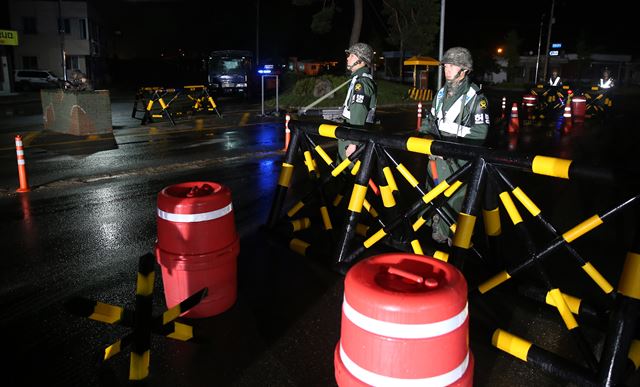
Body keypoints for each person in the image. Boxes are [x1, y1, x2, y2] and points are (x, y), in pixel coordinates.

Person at [419, 46, 489, 243]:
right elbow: (429, 121)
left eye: (452, 65)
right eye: (446, 65)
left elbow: (479, 134)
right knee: (432, 196)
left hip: (457, 164)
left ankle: (457, 243)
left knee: (455, 202)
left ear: (464, 70)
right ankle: (437, 232)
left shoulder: (476, 99)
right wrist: (425, 138)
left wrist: (450, 148)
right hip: (435, 162)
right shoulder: (440, 95)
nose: (446, 68)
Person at [338, 42, 377, 161]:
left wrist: (353, 143)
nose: (348, 58)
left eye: (352, 55)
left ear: (361, 61)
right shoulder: (357, 80)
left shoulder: (361, 83)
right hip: (350, 133)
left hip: (353, 137)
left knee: (350, 173)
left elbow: (358, 112)